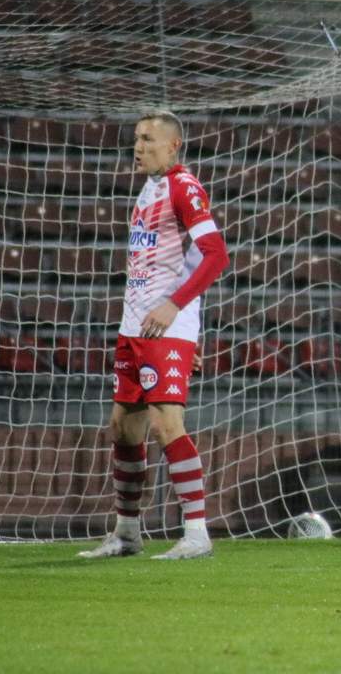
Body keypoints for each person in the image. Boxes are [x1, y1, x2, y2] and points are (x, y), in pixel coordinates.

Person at [78, 110, 230, 560]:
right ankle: (127, 533)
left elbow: (215, 256)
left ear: (173, 145)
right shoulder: (149, 189)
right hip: (135, 326)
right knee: (123, 429)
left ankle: (197, 533)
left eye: (147, 139)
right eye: (136, 139)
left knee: (166, 424)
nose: (138, 146)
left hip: (165, 325)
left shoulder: (185, 187)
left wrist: (175, 311)